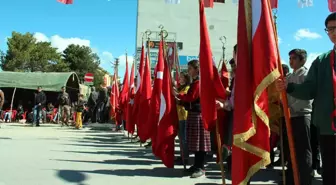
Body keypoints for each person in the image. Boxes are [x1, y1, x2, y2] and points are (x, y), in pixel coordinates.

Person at [275, 12, 336, 185]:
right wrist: (289, 87)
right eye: (329, 29)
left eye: (335, 28)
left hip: (304, 116)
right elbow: (309, 89)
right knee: (330, 171)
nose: (332, 32)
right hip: (327, 125)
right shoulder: (322, 61)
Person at [280, 49, 313, 185]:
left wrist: (290, 107)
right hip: (289, 117)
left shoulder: (306, 75)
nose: (291, 61)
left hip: (301, 115)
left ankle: (305, 179)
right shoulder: (288, 77)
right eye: (290, 58)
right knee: (290, 150)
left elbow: (306, 97)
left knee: (303, 151)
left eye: (294, 58)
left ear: (302, 60)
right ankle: (292, 178)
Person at [176, 59, 210, 178]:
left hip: (198, 115)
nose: (188, 71)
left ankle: (201, 167)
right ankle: (196, 165)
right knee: (196, 143)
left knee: (200, 144)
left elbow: (192, 97)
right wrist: (180, 101)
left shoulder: (198, 83)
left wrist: (179, 96)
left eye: (190, 68)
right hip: (193, 114)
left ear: (196, 69)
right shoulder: (195, 82)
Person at [175, 72, 191, 165]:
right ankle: (182, 155)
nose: (179, 79)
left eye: (181, 77)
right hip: (179, 116)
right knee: (181, 138)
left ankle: (185, 158)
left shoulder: (187, 88)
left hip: (184, 116)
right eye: (179, 77)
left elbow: (183, 100)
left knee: (184, 138)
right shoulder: (179, 88)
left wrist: (175, 94)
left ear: (186, 79)